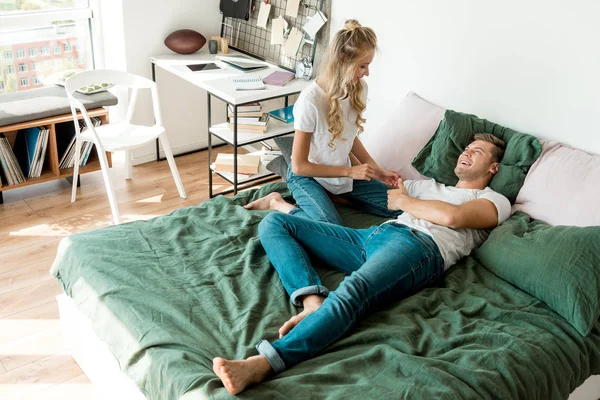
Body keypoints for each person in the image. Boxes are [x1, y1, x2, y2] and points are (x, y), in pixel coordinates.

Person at [213, 134, 512, 394]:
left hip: (418, 247)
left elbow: (452, 218)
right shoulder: (426, 187)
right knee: (275, 224)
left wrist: (404, 202)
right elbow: (357, 194)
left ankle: (265, 362)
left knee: (353, 290)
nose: (466, 152)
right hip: (374, 237)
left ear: (493, 167)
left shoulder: (494, 200)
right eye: (467, 147)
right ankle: (312, 300)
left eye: (477, 151)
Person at [244, 20, 401, 225]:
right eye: (363, 66)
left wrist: (376, 170)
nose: (367, 73)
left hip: (340, 176)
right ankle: (276, 202)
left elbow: (349, 138)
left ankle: (337, 197)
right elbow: (300, 166)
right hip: (308, 176)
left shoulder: (359, 89)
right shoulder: (310, 101)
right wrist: (350, 171)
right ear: (343, 59)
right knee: (328, 227)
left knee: (399, 207)